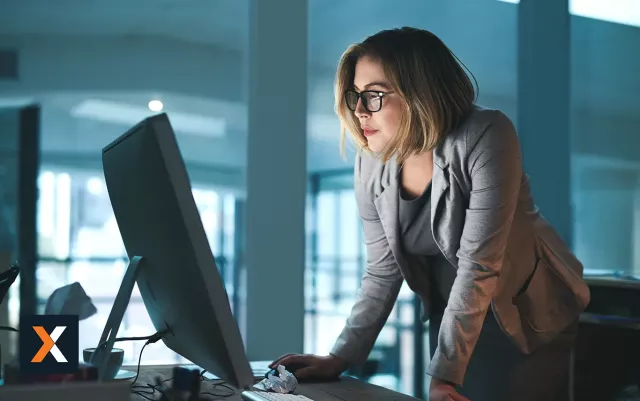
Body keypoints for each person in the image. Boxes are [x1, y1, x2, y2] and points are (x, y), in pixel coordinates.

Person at [270, 27, 590, 401]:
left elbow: (479, 265)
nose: (359, 111)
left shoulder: (487, 134)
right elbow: (383, 270)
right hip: (452, 314)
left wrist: (443, 378)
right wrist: (339, 356)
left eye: (373, 95)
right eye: (355, 96)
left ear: (419, 92)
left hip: (528, 314)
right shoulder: (371, 164)